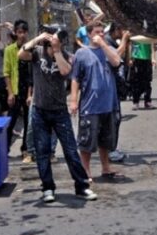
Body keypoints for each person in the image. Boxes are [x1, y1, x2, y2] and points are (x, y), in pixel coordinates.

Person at [19, 26, 96, 203]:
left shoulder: (68, 56)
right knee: (42, 150)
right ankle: (47, 187)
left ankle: (82, 186)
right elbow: (21, 55)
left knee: (70, 150)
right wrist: (38, 39)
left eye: (59, 37)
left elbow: (64, 72)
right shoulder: (37, 52)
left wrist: (56, 51)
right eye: (54, 36)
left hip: (60, 111)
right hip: (39, 110)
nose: (57, 39)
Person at [69, 22, 123, 180]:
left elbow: (116, 62)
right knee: (87, 140)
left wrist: (104, 46)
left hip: (109, 103)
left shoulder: (109, 50)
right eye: (97, 32)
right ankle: (85, 171)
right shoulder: (81, 53)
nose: (100, 35)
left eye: (102, 32)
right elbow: (75, 79)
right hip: (90, 105)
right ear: (89, 34)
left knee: (106, 140)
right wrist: (73, 100)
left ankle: (105, 167)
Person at [3, 20, 32, 161]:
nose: (21, 35)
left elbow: (33, 74)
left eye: (24, 32)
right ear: (15, 33)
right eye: (19, 32)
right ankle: (5, 148)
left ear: (27, 33)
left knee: (28, 121)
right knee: (11, 120)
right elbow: (6, 72)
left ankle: (26, 149)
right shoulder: (9, 50)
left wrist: (30, 94)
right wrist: (9, 93)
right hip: (15, 90)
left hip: (28, 89)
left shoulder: (31, 48)